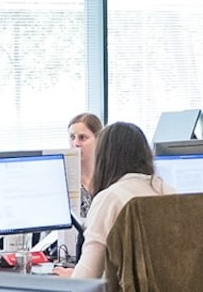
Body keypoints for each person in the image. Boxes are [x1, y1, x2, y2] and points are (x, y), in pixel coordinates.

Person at [71, 122, 165, 282]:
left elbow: (86, 277)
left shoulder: (110, 199)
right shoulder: (169, 191)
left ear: (104, 158)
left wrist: (69, 278)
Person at [67, 111, 103, 199]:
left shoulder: (108, 178)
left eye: (82, 138)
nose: (75, 143)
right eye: (72, 137)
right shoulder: (65, 179)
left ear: (98, 139)